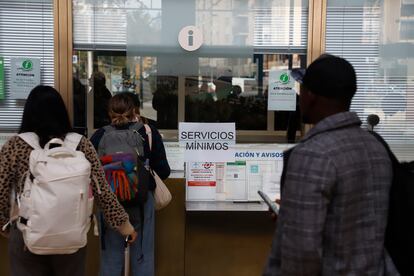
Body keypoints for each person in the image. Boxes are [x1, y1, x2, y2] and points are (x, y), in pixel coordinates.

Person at [263, 54, 398, 275]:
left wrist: (294, 222)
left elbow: (301, 255)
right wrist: (293, 214)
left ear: (311, 96)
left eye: (302, 90)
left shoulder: (313, 154)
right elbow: (355, 218)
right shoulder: (375, 147)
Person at [0, 85, 137, 276]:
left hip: (25, 234)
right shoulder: (80, 144)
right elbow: (102, 191)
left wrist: (6, 225)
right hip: (71, 235)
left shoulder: (15, 145)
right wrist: (125, 226)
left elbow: (1, 190)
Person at [91, 92, 170, 276]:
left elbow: (89, 170)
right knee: (143, 254)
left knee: (110, 256)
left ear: (109, 113)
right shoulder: (147, 132)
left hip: (109, 203)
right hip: (141, 202)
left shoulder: (99, 135)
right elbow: (164, 171)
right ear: (134, 111)